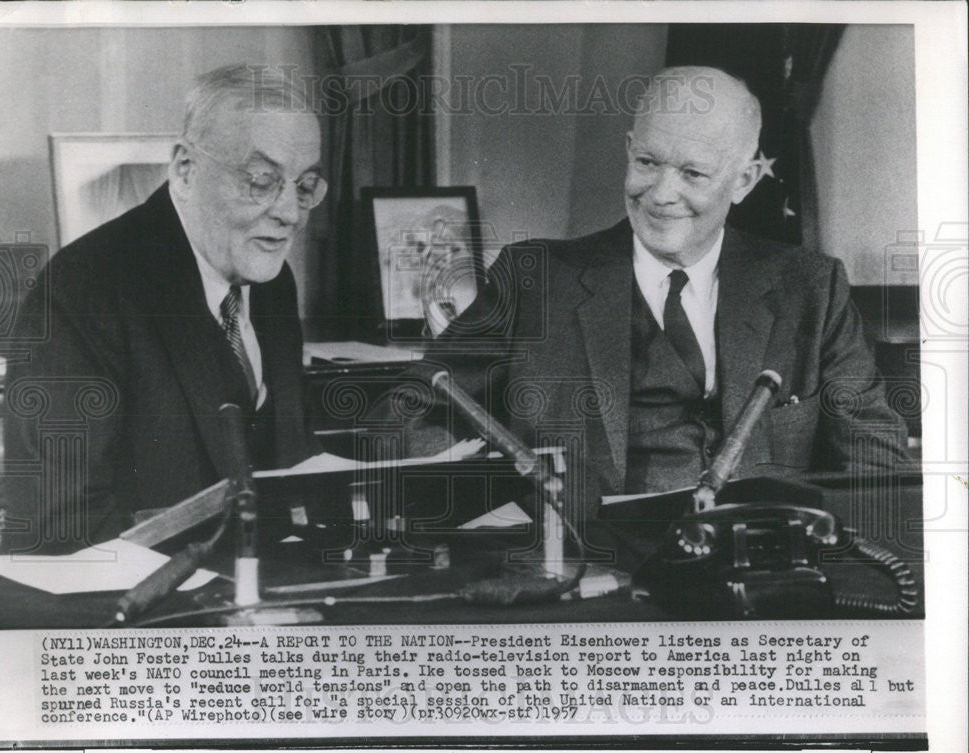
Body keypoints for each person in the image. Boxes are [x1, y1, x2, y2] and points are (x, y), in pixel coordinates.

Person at [387, 66, 909, 519]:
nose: (661, 194)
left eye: (693, 173)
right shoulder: (534, 278)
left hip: (756, 566)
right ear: (628, 151)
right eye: (647, 163)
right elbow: (408, 408)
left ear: (745, 180)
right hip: (587, 561)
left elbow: (876, 458)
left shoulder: (813, 288)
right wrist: (492, 498)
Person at [2, 64, 325, 552]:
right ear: (184, 170)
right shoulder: (81, 292)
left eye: (304, 186)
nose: (290, 213)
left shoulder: (272, 282)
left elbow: (287, 467)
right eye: (261, 180)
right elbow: (58, 533)